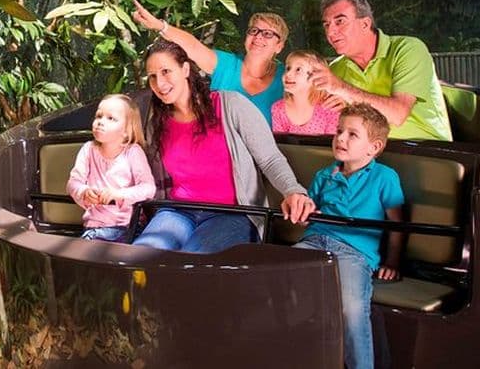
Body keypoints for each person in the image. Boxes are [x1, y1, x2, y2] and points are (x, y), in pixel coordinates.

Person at [132, 40, 315, 253]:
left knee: (190, 261)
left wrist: (293, 191)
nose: (159, 83)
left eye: (166, 71)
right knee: (143, 255)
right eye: (152, 76)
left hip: (233, 214)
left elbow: (270, 159)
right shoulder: (157, 123)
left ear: (185, 69)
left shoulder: (231, 105)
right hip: (178, 212)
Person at [295, 103, 404, 369]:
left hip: (353, 252)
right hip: (314, 242)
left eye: (352, 134)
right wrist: (308, 212)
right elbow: (309, 213)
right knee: (274, 284)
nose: (340, 138)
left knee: (352, 309)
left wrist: (392, 263)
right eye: (339, 131)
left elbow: (397, 224)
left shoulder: (385, 177)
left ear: (374, 147)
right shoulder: (325, 174)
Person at [310, 0, 452, 141]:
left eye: (340, 21)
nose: (330, 32)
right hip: (368, 155)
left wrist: (342, 89)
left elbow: (398, 115)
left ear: (365, 24)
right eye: (326, 25)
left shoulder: (408, 49)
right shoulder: (335, 69)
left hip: (426, 151)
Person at [132, 0, 287, 124]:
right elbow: (193, 46)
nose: (258, 37)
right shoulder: (227, 64)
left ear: (279, 46)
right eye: (254, 31)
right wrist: (160, 26)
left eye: (267, 34)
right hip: (222, 152)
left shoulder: (287, 77)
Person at [66, 94, 156, 242]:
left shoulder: (133, 152)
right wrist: (83, 191)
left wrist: (119, 194)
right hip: (94, 228)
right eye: (99, 116)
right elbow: (73, 183)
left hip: (128, 227)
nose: (100, 122)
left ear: (127, 130)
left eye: (110, 118)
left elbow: (148, 188)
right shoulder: (88, 149)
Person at [271, 50, 339, 135]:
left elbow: (331, 144)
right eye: (288, 68)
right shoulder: (278, 109)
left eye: (298, 69)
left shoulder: (330, 108)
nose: (288, 74)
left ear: (317, 76)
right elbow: (279, 144)